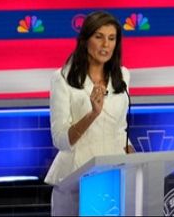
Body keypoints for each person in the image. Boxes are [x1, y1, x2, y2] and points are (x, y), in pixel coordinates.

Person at [45, 11, 133, 215]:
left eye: (112, 38)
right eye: (99, 37)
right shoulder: (62, 78)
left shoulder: (123, 76)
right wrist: (92, 114)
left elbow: (120, 130)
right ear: (85, 40)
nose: (106, 45)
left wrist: (141, 166)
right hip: (76, 177)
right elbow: (61, 140)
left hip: (113, 177)